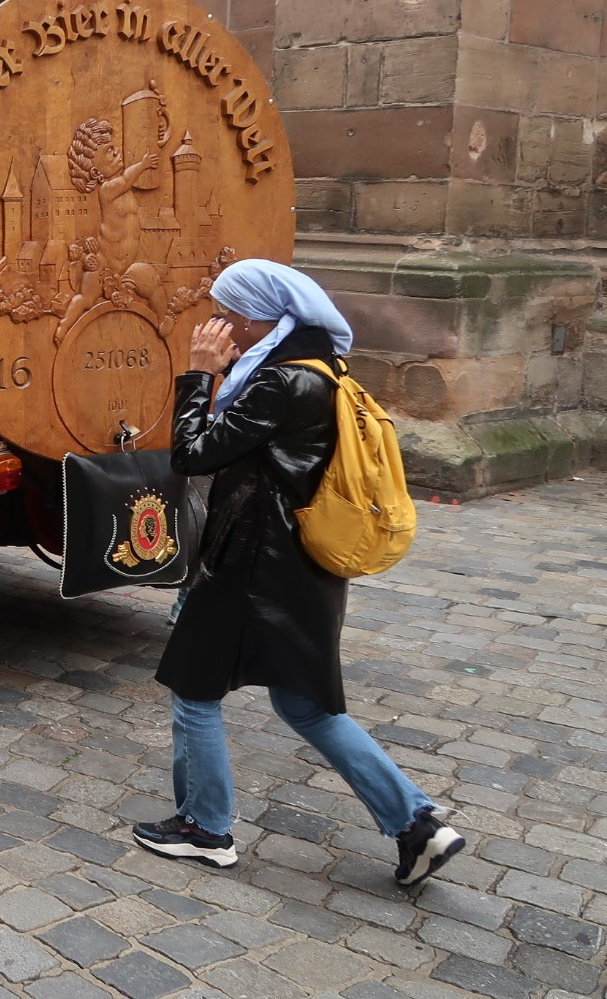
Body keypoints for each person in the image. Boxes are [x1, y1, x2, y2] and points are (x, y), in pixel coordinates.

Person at [135, 259, 467, 887]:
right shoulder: (322, 371)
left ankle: (205, 828)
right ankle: (417, 824)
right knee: (307, 705)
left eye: (225, 310)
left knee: (194, 689)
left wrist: (199, 375)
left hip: (251, 567)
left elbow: (192, 454)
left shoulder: (280, 382)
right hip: (303, 568)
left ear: (258, 315)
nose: (215, 322)